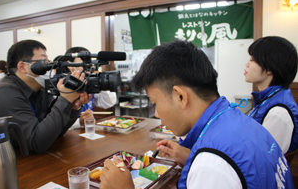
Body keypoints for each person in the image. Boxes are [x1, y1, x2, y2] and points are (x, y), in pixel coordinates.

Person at [99, 40, 294, 189]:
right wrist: (192, 156)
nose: (157, 113)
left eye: (155, 103)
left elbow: (217, 169)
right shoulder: (237, 119)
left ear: (181, 97)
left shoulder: (211, 164)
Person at [0, 40, 92, 153]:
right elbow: (37, 143)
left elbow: (56, 132)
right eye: (43, 61)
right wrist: (65, 99)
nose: (50, 66)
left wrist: (73, 106)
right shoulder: (5, 93)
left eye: (48, 61)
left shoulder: (40, 89)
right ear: (22, 67)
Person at [244, 36, 298, 154]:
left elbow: (261, 158)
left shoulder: (278, 113)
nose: (247, 64)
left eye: (252, 60)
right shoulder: (269, 98)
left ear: (270, 68)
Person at [64, 47, 117, 126]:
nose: (87, 65)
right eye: (83, 62)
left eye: (88, 62)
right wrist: (79, 122)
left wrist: (101, 80)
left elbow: (108, 103)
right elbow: (55, 122)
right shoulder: (61, 85)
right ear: (69, 65)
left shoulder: (89, 82)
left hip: (88, 131)